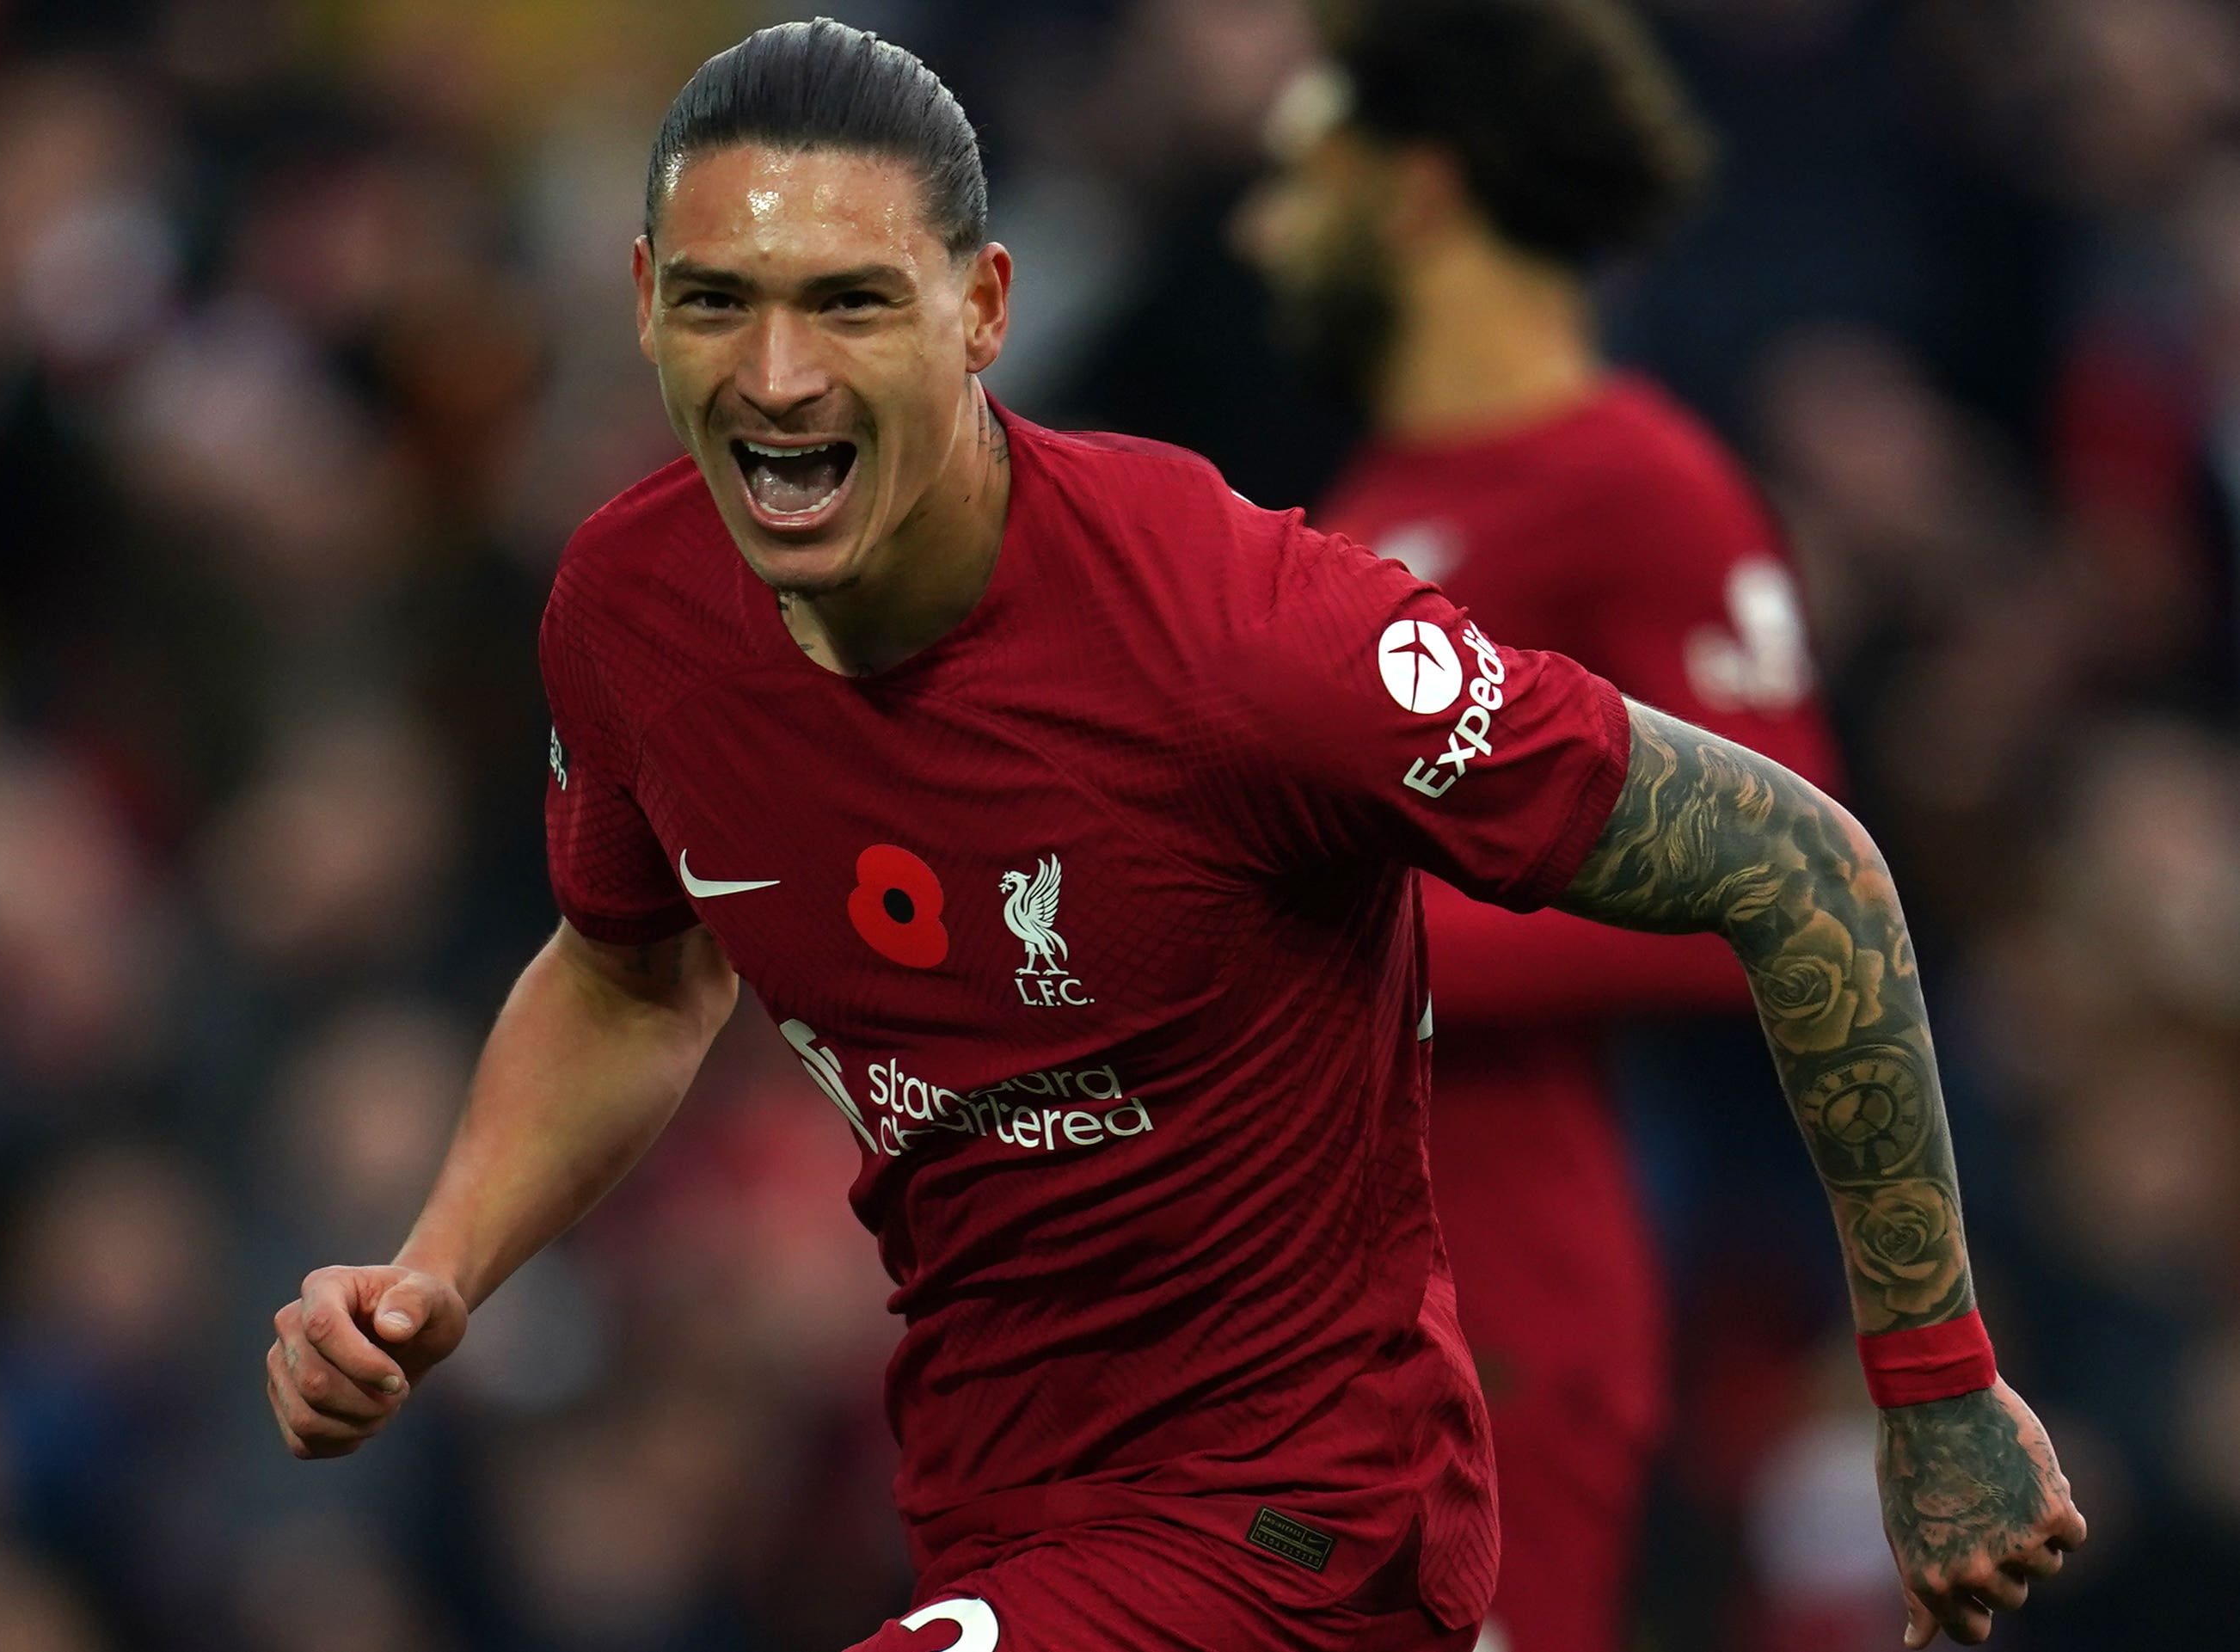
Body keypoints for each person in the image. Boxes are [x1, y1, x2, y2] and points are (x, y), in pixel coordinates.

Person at [261, 20, 2083, 1652]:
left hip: (1310, 1524)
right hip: (996, 1512)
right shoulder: (629, 609)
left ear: (982, 310)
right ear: (644, 295)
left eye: (850, 302)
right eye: (721, 302)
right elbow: (631, 970)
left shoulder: (1235, 632)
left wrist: (1932, 1387)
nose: (780, 376)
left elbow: (1794, 860)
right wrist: (438, 1266)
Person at [1235, 5, 1838, 1649]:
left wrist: (1346, 942)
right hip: (1311, 1280)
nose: (1259, 224)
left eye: (1299, 175)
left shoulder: (1646, 483)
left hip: (1507, 1279)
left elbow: (1775, 895)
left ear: (1417, 194)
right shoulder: (1371, 501)